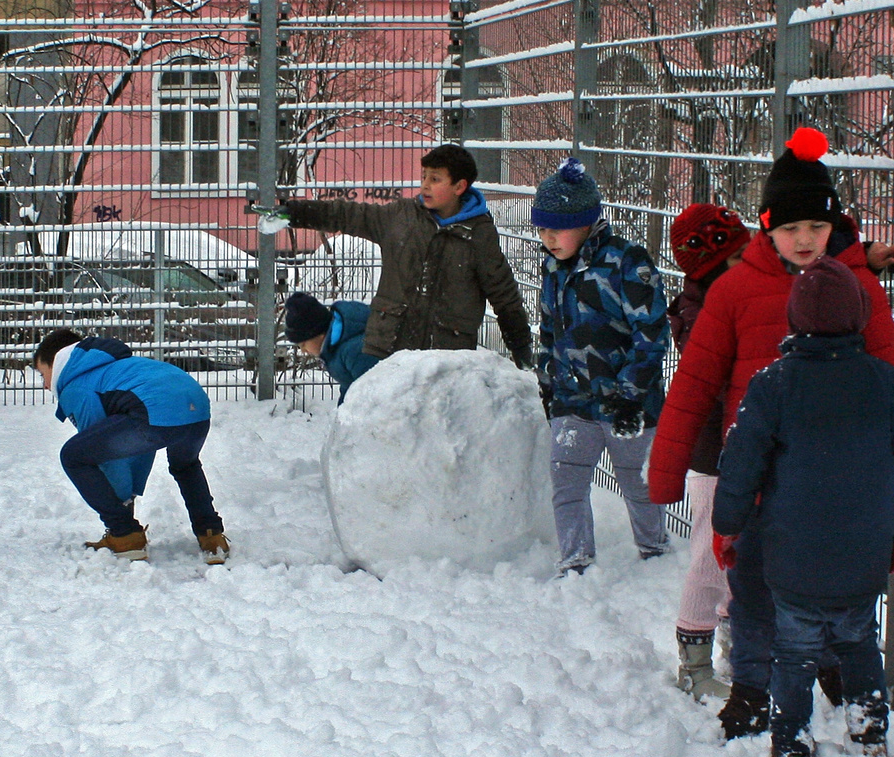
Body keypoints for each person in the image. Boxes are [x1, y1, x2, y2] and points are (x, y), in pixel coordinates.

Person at [648, 127, 894, 740]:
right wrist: (666, 468)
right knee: (753, 587)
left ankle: (839, 673)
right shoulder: (736, 288)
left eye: (815, 229)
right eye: (790, 229)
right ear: (767, 227)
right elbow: (695, 382)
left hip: (833, 479)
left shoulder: (859, 287)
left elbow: (890, 391)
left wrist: (889, 478)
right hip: (758, 469)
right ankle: (752, 688)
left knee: (831, 582)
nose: (804, 241)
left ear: (832, 225)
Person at [712, 256, 894, 757]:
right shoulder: (889, 386)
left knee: (794, 653)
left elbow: (740, 466)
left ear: (794, 319)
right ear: (858, 318)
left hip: (792, 558)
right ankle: (870, 733)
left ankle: (790, 747)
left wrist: (727, 526)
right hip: (862, 558)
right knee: (858, 643)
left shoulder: (772, 384)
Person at [256, 144, 533, 368]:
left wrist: (521, 351)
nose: (424, 185)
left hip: (446, 359)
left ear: (459, 187)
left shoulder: (479, 236)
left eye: (435, 179)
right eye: (424, 176)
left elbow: (504, 296)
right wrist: (294, 213)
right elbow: (348, 214)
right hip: (388, 350)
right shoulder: (401, 218)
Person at [531, 157, 671, 576]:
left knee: (638, 484)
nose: (549, 237)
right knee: (566, 482)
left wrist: (630, 396)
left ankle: (655, 555)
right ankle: (575, 562)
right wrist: (547, 378)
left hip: (626, 405)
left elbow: (652, 335)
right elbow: (550, 328)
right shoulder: (553, 267)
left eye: (558, 227)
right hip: (573, 399)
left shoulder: (627, 263)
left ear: (588, 223)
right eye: (542, 228)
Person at [34, 330, 228, 564]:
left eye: (42, 373)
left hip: (155, 414)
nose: (45, 385)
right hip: (197, 412)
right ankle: (211, 536)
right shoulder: (122, 369)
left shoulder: (78, 387)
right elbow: (135, 444)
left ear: (55, 362)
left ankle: (124, 536)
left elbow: (108, 458)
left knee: (74, 457)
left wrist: (123, 517)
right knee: (185, 466)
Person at [666, 203, 749, 701]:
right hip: (712, 453)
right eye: (738, 258)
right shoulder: (700, 312)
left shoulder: (736, 297)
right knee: (709, 558)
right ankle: (693, 665)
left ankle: (736, 651)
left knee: (741, 558)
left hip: (745, 448)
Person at [283, 292, 379, 403]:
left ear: (318, 334)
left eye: (303, 344)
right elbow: (349, 387)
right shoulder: (334, 348)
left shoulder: (354, 351)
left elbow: (373, 393)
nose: (303, 351)